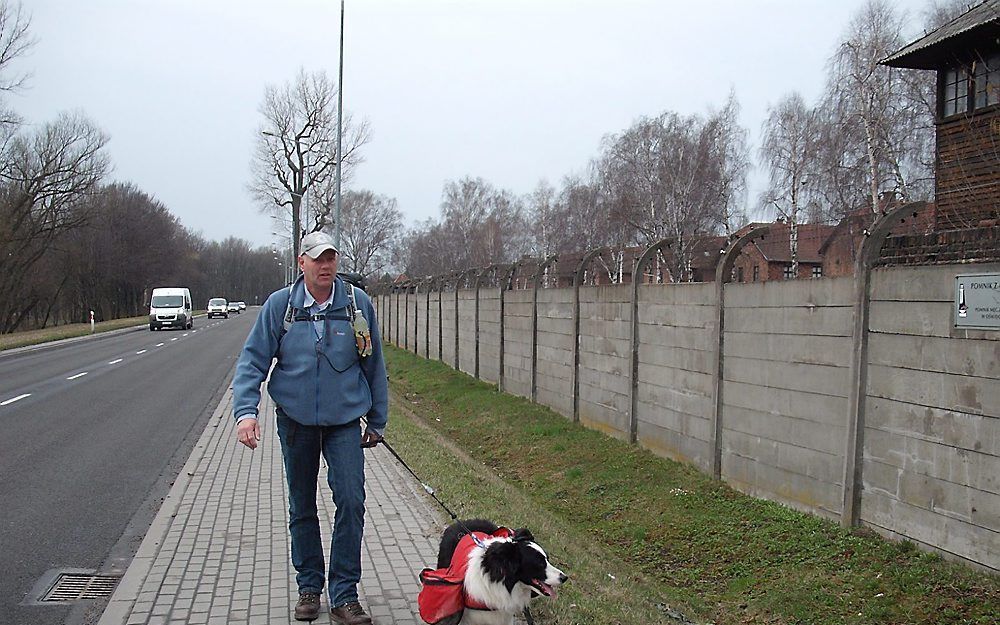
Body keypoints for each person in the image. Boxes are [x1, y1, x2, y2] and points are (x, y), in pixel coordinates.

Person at [232, 230, 387, 624]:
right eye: (317, 258)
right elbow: (252, 362)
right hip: (296, 421)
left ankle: (344, 595)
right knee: (302, 506)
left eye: (331, 258)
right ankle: (309, 587)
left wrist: (378, 420)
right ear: (301, 262)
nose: (325, 265)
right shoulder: (280, 306)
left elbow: (375, 365)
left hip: (344, 423)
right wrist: (245, 412)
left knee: (351, 501)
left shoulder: (356, 305)